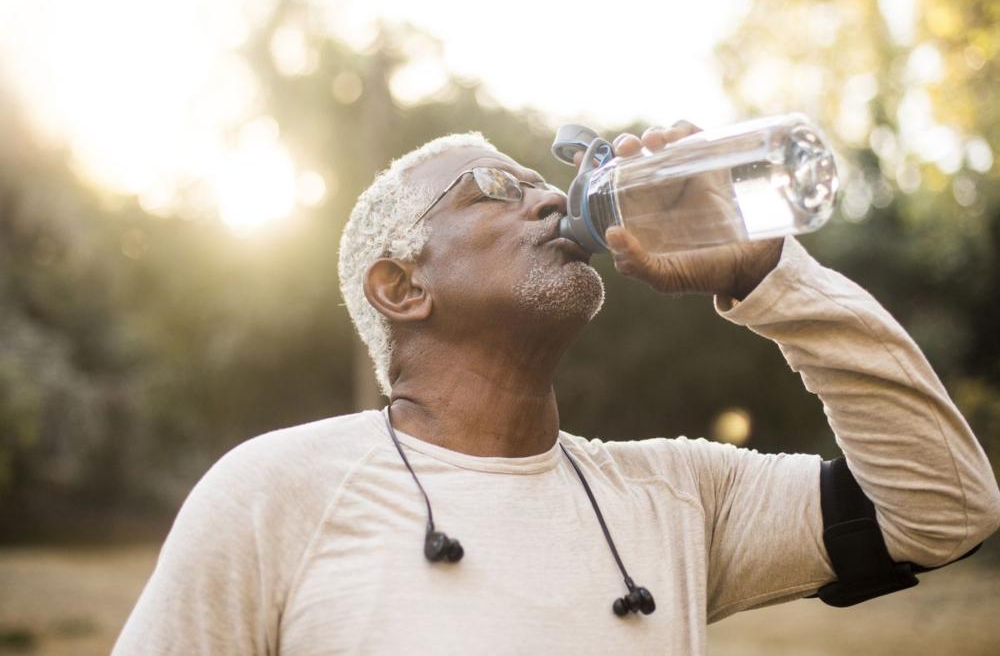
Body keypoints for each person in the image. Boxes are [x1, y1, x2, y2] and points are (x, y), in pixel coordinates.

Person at [113, 123, 1000, 655]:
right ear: (402, 288)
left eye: (546, 181)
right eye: (495, 188)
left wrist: (772, 275)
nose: (549, 201)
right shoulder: (275, 492)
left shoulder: (678, 493)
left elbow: (947, 508)